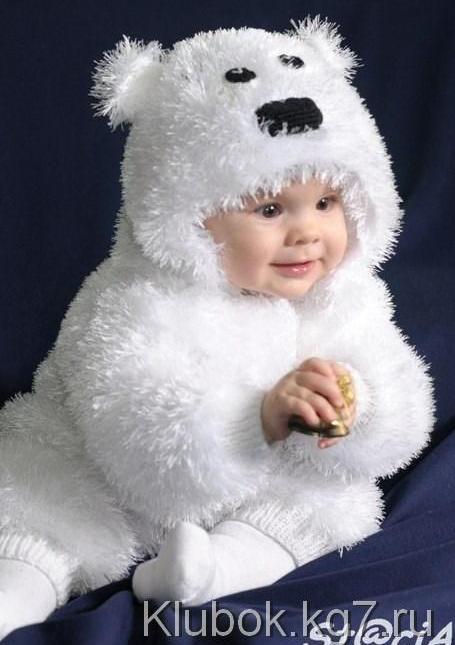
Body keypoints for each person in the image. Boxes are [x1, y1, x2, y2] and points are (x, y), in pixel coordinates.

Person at [0, 17, 436, 639]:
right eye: (269, 208)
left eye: (326, 202)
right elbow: (131, 419)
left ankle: (215, 569)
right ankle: (20, 581)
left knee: (336, 499)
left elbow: (405, 397)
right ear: (188, 215)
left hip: (252, 491)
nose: (307, 232)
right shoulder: (139, 299)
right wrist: (254, 419)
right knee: (35, 492)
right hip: (102, 474)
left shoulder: (346, 298)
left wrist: (355, 404)